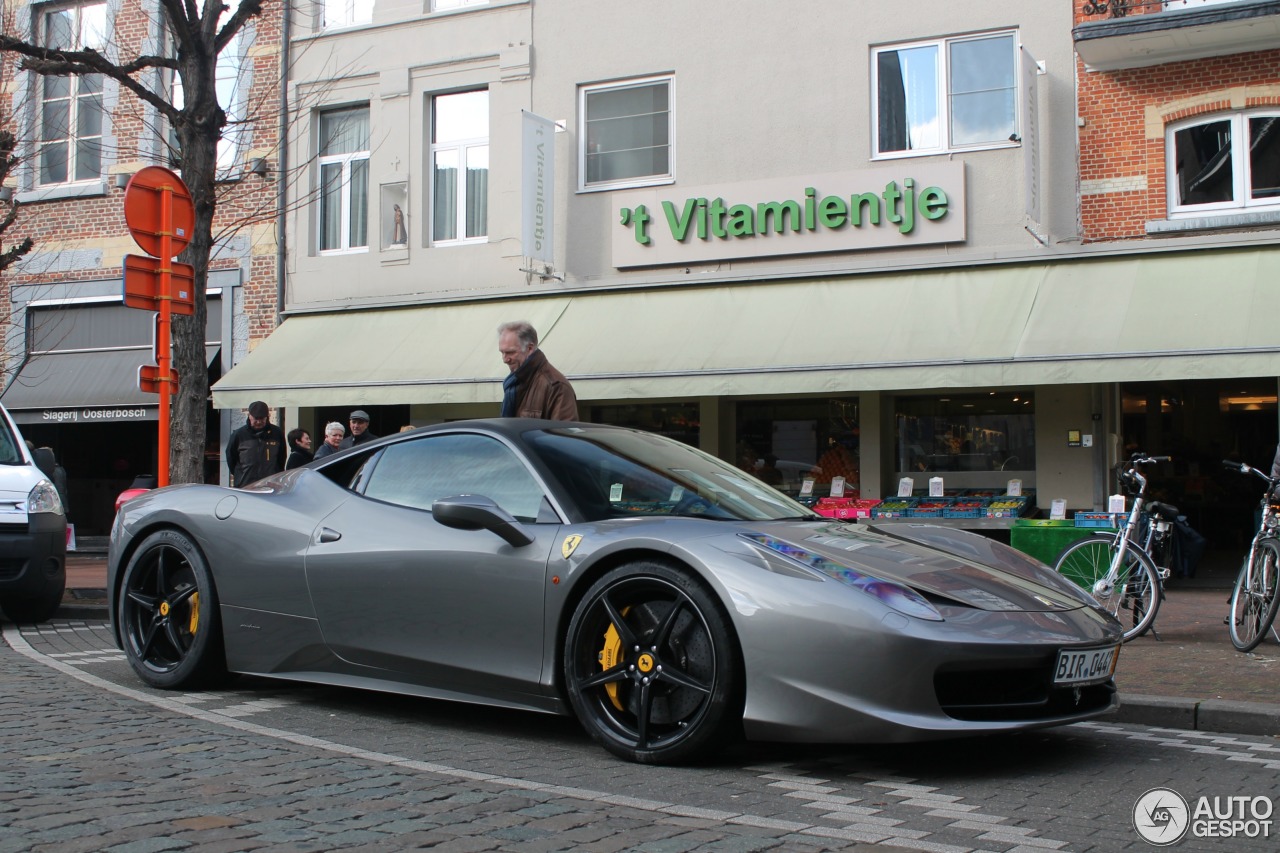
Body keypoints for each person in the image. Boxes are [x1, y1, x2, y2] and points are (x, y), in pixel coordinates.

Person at [497, 320, 579, 420]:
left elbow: (564, 434)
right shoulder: (515, 382)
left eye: (510, 352)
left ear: (530, 348)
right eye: (502, 353)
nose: (505, 359)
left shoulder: (556, 386)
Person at [225, 400, 286, 487]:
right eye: (256, 419)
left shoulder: (277, 433)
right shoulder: (238, 435)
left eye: (262, 419)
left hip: (270, 485)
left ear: (267, 417)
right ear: (249, 416)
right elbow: (231, 458)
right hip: (246, 485)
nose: (259, 422)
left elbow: (281, 458)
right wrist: (241, 475)